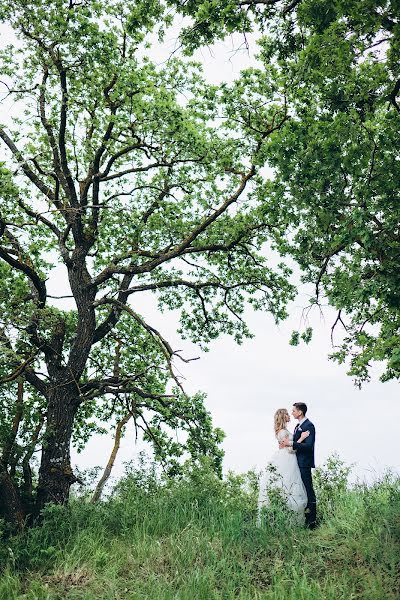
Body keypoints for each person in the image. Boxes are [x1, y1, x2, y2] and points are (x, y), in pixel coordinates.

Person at [258, 408, 308, 524]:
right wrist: (302, 438)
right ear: (282, 416)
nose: (289, 415)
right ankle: (288, 520)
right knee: (288, 485)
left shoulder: (283, 430)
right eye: (286, 414)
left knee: (288, 486)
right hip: (287, 459)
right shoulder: (282, 432)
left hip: (286, 458)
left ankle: (286, 519)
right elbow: (290, 450)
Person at [279, 402, 317, 529]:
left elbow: (308, 446)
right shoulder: (297, 427)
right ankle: (304, 520)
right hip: (296, 463)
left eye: (294, 411)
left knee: (308, 491)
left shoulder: (309, 426)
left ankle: (312, 522)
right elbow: (295, 443)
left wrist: (292, 443)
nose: (292, 413)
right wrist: (293, 442)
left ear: (300, 412)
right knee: (300, 492)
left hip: (304, 463)